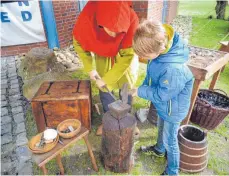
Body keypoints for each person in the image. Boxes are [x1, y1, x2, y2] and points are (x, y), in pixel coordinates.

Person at [130, 20, 194, 175]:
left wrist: (140, 92)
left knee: (170, 141)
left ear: (159, 49)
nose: (143, 58)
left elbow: (162, 94)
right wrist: (143, 86)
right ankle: (159, 150)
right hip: (165, 107)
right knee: (160, 128)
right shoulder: (159, 52)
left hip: (173, 110)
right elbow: (151, 75)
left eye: (145, 55)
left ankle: (172, 171)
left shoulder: (174, 69)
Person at [73, 1, 140, 135]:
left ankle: (127, 120)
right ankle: (108, 122)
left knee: (126, 88)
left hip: (124, 56)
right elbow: (79, 42)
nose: (114, 36)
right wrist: (90, 68)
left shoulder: (131, 18)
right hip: (103, 56)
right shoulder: (88, 17)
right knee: (104, 90)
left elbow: (128, 56)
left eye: (119, 31)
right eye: (110, 30)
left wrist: (108, 80)